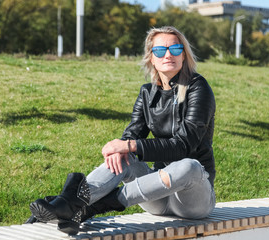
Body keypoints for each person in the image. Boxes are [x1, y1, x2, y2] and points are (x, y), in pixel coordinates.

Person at [28, 26, 216, 235]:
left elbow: (184, 145)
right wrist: (124, 147)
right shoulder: (147, 93)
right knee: (123, 157)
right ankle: (67, 203)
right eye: (160, 51)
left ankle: (93, 207)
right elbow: (132, 134)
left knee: (188, 165)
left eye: (175, 48)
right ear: (152, 58)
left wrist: (129, 145)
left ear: (184, 55)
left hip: (192, 201)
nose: (168, 55)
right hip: (157, 196)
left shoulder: (198, 88)